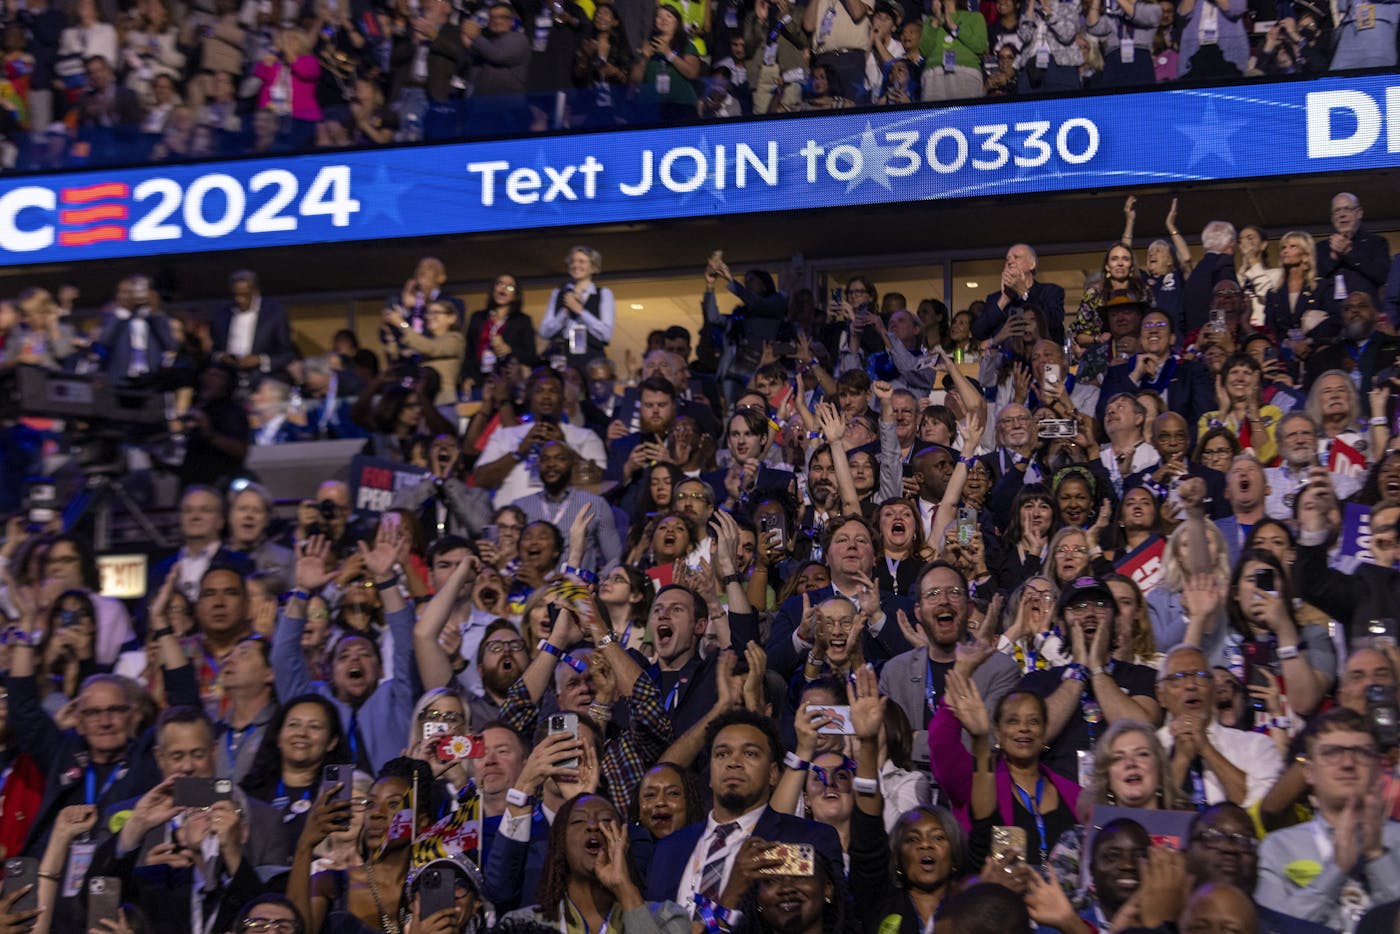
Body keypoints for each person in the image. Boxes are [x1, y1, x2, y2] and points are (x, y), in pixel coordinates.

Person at [644, 708, 843, 911]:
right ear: (710, 775)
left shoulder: (806, 839)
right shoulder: (668, 849)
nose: (734, 762)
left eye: (750, 753)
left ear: (773, 773)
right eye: (722, 754)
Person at [1256, 708, 1400, 930]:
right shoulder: (1278, 848)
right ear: (1309, 772)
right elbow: (1273, 928)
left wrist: (1376, 856)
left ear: (1376, 766)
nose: (1348, 763)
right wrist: (1337, 869)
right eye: (1332, 752)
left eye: (1362, 752)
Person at [1154, 644, 1283, 808]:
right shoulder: (1147, 748)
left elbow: (1265, 808)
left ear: (1214, 689)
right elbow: (1149, 816)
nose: (1190, 685)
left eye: (1200, 675)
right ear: (1161, 695)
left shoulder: (1256, 745)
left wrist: (1206, 748)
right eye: (1177, 678)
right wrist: (1181, 760)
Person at [539, 246, 615, 374]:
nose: (575, 265)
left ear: (593, 267)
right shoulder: (558, 293)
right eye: (572, 261)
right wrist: (564, 312)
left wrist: (580, 311)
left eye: (581, 261)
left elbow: (605, 334)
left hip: (590, 358)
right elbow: (544, 331)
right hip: (561, 357)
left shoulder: (603, 293)